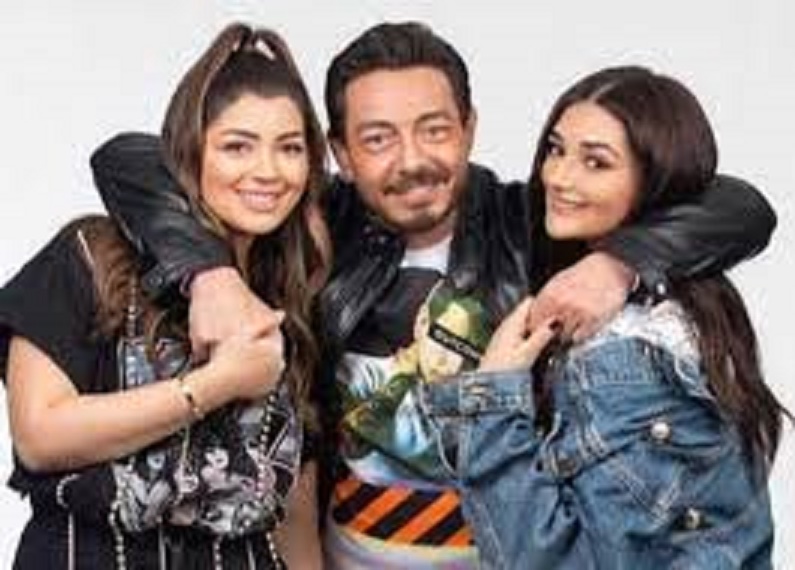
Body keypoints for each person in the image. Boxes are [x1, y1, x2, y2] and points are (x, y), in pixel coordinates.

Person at [88, 22, 777, 569]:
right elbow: (129, 157)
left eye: (435, 130)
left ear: (469, 127)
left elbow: (739, 206)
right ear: (339, 151)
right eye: (377, 139)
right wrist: (208, 275)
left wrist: (618, 264)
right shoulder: (313, 229)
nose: (413, 160)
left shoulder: (535, 227)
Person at [422, 65, 789, 569]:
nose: (559, 177)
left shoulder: (628, 358)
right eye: (556, 150)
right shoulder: (672, 307)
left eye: (596, 162)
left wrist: (493, 399)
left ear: (655, 181)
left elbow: (555, 562)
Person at [0, 22, 330, 569]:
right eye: (237, 146)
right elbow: (40, 435)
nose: (268, 171)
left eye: (290, 148)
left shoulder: (298, 287)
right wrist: (218, 383)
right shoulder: (91, 256)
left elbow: (295, 505)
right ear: (191, 153)